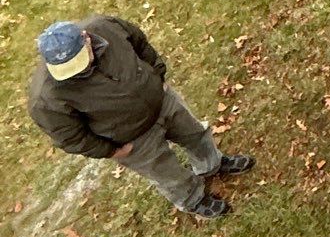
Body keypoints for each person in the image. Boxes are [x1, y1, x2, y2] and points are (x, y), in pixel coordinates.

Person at [27, 17, 254, 221]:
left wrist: (158, 76)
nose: (76, 71)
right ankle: (193, 199)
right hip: (133, 140)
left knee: (196, 134)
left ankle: (212, 164)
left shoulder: (106, 26)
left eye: (77, 61)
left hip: (162, 101)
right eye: (67, 69)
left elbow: (139, 42)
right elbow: (72, 138)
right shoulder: (45, 99)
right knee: (168, 173)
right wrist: (112, 151)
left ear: (86, 38)